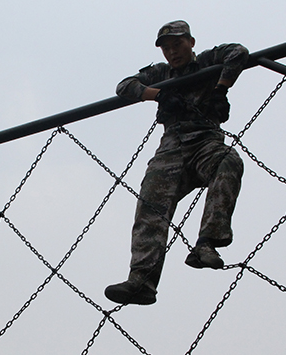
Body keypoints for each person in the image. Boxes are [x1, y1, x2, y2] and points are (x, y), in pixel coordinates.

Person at [105, 20, 249, 306]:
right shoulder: (161, 73)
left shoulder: (208, 60)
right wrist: (159, 94)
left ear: (191, 43)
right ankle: (141, 281)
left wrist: (221, 88)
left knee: (228, 162)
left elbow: (238, 52)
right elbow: (125, 86)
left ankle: (207, 244)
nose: (172, 52)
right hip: (171, 149)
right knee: (150, 205)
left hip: (205, 142)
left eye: (177, 45)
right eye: (167, 48)